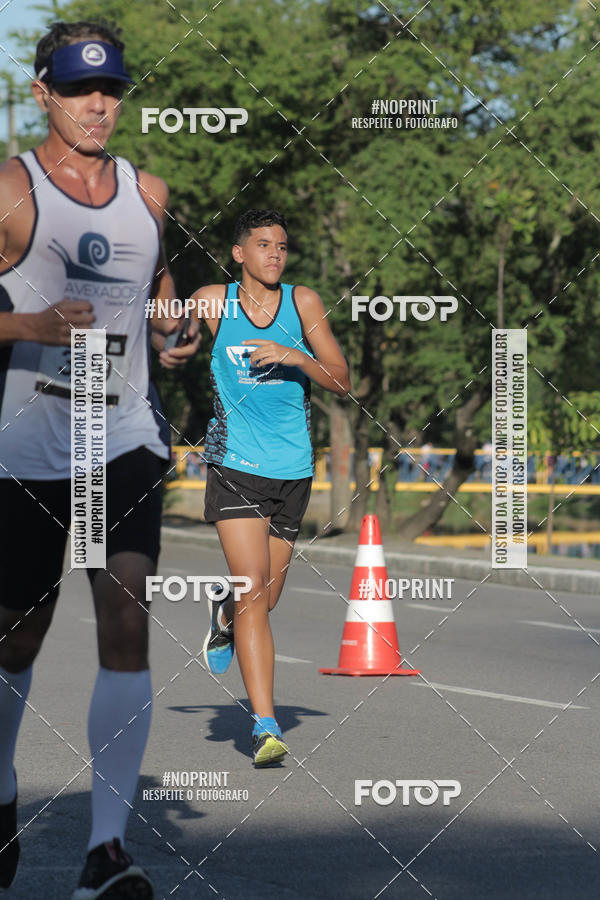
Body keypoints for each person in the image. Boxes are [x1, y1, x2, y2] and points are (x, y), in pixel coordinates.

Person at [0, 20, 198, 899]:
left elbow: (156, 291)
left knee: (126, 620)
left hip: (118, 438)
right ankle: (2, 790)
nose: (97, 106)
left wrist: (177, 329)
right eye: (80, 90)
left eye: (110, 89)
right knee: (18, 636)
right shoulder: (12, 189)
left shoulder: (149, 194)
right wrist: (27, 326)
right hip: (26, 443)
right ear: (42, 93)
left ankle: (104, 854)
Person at [195, 209, 350, 766]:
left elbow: (342, 380)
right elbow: (175, 337)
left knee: (264, 601)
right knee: (255, 595)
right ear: (239, 253)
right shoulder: (214, 300)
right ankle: (265, 726)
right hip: (233, 465)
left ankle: (223, 613)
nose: (274, 255)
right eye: (263, 245)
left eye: (281, 246)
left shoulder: (302, 303)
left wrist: (296, 356)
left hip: (293, 471)